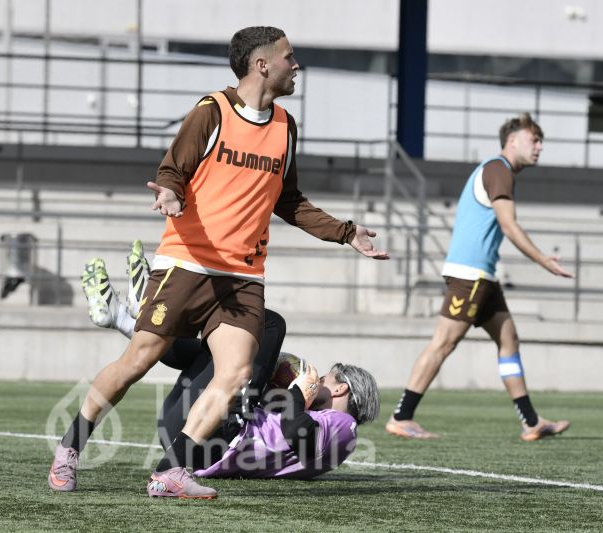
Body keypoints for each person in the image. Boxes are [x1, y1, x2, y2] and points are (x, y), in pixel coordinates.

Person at [48, 26, 388, 499]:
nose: (297, 66)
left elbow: (289, 202)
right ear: (262, 64)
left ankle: (173, 472)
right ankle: (68, 450)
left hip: (243, 276)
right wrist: (169, 192)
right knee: (139, 359)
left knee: (235, 376)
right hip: (189, 262)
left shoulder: (286, 127)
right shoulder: (212, 110)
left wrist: (347, 233)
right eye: (289, 57)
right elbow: (174, 168)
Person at [76, 247, 379, 486]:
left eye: (327, 377)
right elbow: (287, 438)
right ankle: (125, 318)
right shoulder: (324, 430)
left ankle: (146, 309)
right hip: (194, 436)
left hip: (215, 436)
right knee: (222, 355)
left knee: (268, 324)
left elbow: (295, 433)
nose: (319, 378)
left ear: (341, 387)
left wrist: (298, 393)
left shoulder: (345, 427)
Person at [385, 113, 573, 442]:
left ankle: (531, 421)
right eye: (535, 140)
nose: (540, 147)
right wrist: (543, 259)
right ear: (513, 141)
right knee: (444, 343)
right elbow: (508, 226)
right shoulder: (499, 169)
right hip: (470, 276)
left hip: (481, 276)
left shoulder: (496, 169)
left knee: (508, 339)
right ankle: (402, 416)